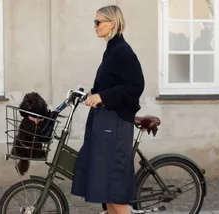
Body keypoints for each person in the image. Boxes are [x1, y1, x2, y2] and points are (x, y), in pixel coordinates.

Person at [70, 5, 145, 214]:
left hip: (116, 126)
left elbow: (135, 85)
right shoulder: (112, 50)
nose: (94, 26)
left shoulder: (122, 51)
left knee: (115, 192)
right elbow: (110, 84)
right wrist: (92, 95)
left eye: (97, 22)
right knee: (108, 194)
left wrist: (102, 97)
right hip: (106, 125)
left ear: (112, 23)